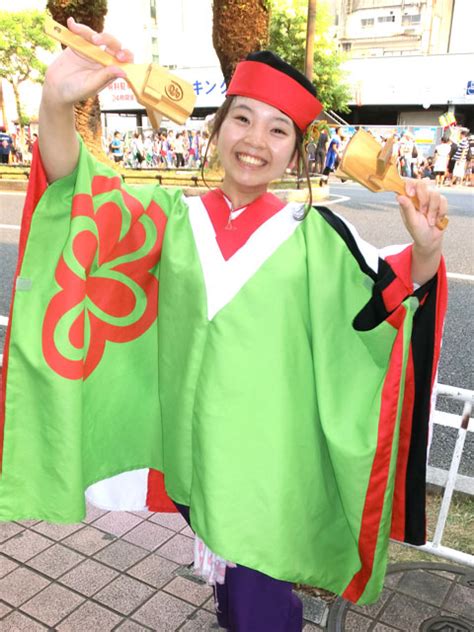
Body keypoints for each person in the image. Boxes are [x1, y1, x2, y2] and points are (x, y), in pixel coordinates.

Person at [0, 18, 448, 632]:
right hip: (196, 457)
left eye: (278, 128)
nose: (255, 140)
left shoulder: (317, 238)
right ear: (216, 127)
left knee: (254, 602)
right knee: (234, 594)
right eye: (241, 118)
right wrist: (55, 102)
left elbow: (391, 305)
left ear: (296, 150)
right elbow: (84, 197)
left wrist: (424, 252)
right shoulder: (171, 218)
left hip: (270, 469)